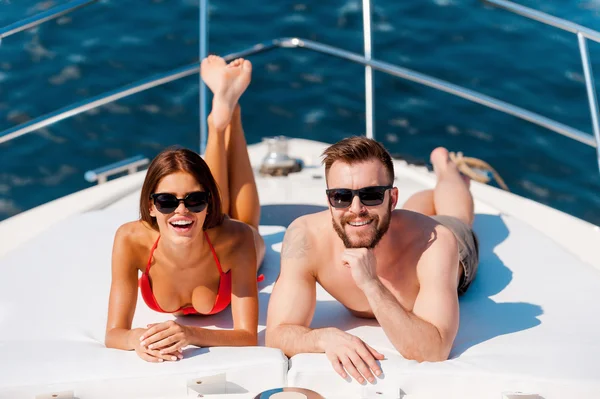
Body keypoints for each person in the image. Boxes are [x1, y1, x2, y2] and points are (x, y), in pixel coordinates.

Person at [265, 136, 479, 383]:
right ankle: (424, 193)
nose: (356, 208)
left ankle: (446, 168)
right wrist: (324, 337)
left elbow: (433, 351)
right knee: (392, 217)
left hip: (443, 243)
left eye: (372, 194)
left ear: (393, 198)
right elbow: (277, 334)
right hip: (396, 225)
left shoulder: (437, 243)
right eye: (341, 196)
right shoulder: (305, 236)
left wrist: (371, 283)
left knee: (456, 216)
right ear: (329, 200)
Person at [105, 55, 265, 362]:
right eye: (166, 201)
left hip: (230, 236)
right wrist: (138, 339)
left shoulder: (236, 239)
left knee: (246, 221)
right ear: (150, 206)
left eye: (196, 201)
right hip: (210, 228)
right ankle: (224, 111)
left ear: (207, 205)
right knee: (198, 191)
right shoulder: (129, 240)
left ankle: (229, 115)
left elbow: (247, 336)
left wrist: (190, 334)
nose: (181, 210)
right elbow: (115, 333)